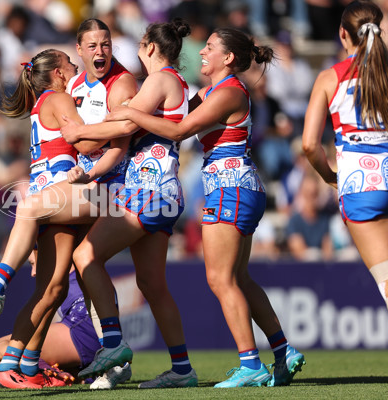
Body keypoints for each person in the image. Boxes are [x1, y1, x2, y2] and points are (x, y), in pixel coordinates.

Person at [101, 27, 305, 388]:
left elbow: (178, 132)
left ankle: (250, 364)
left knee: (220, 279)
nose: (202, 52)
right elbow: (174, 116)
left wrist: (130, 113)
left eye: (210, 47)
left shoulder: (228, 92)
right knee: (239, 278)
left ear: (228, 58)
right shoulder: (210, 92)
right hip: (236, 186)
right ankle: (283, 350)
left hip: (230, 187)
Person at [0, 18, 137, 390]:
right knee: (37, 225)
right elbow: (83, 144)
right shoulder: (59, 97)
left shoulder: (40, 104)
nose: (74, 69)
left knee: (51, 289)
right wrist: (124, 124)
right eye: (70, 65)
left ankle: (17, 364)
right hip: (67, 197)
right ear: (58, 72)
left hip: (59, 200)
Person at [56, 19, 200, 389]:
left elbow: (122, 126)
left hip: (147, 192)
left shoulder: (158, 79)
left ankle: (114, 345)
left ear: (150, 47)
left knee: (85, 256)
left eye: (139, 42)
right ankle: (182, 368)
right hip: (167, 193)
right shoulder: (177, 83)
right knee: (153, 285)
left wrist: (80, 132)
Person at [302, 1, 388, 310]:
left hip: (359, 184)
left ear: (343, 34)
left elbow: (310, 145)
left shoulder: (330, 77)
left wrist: (329, 177)